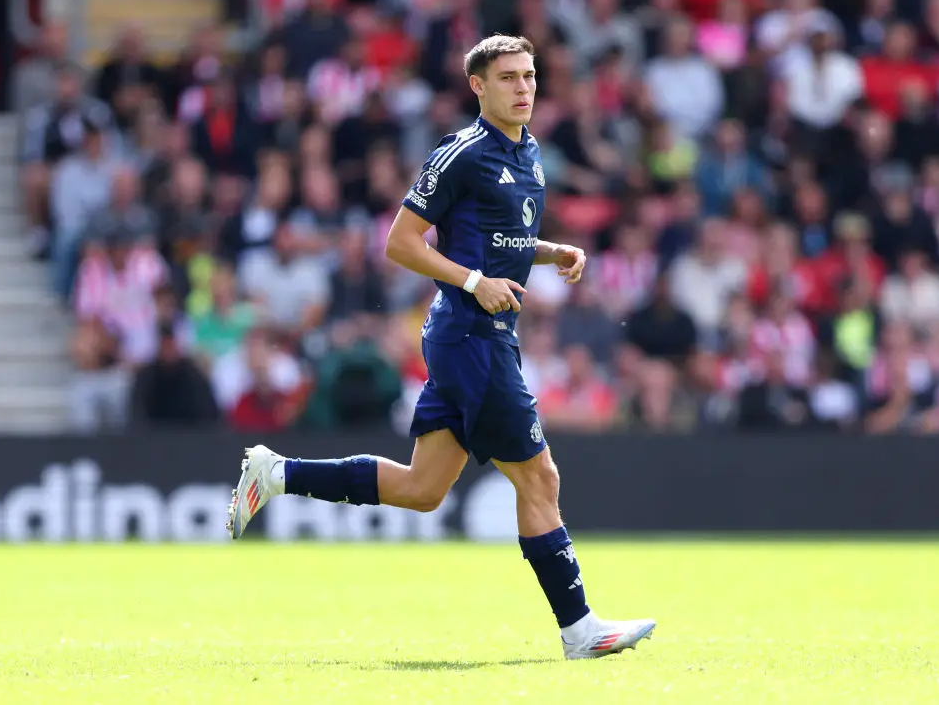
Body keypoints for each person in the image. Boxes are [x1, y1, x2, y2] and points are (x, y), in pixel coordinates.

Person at [225, 35, 655, 660]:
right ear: (478, 86)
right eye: (508, 77)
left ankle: (275, 472)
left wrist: (551, 249)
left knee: (423, 490)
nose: (524, 87)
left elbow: (497, 237)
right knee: (540, 476)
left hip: (477, 338)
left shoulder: (531, 153)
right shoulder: (461, 153)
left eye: (530, 76)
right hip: (469, 337)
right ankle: (580, 630)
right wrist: (473, 282)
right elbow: (400, 243)